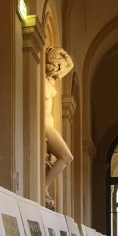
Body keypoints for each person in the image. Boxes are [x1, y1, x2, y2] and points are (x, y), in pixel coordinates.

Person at [44, 47, 74, 205]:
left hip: (48, 126)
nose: (57, 69)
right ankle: (43, 186)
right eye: (55, 64)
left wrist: (63, 54)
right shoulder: (42, 81)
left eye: (58, 66)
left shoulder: (51, 80)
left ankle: (44, 186)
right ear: (49, 62)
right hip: (44, 127)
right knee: (67, 157)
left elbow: (70, 66)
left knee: (66, 157)